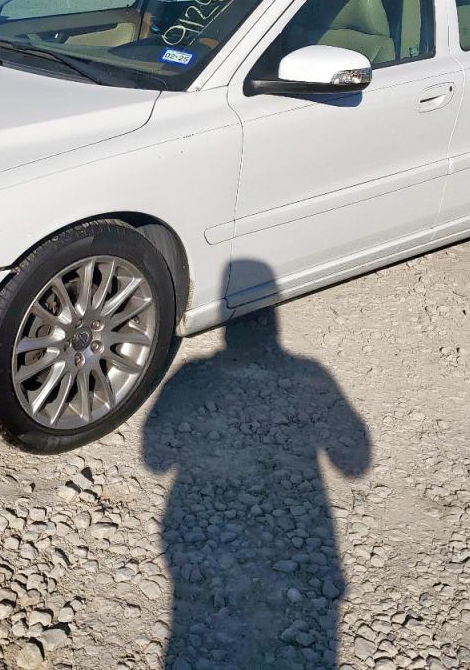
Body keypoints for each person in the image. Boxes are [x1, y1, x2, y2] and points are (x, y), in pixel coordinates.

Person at [143, 259, 371, 669]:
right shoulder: (310, 374)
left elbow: (155, 459)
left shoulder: (192, 373)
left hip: (194, 559)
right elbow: (356, 461)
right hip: (304, 553)